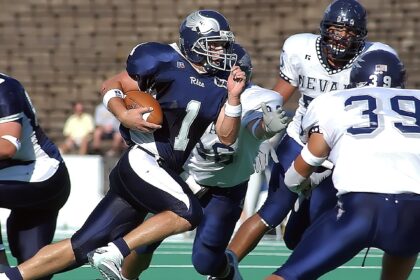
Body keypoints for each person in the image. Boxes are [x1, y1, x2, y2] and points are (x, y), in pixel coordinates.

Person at [0, 9, 246, 280]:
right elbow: (112, 85)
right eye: (213, 44)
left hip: (163, 170)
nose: (220, 51)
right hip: (144, 159)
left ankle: (9, 277)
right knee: (188, 212)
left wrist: (234, 98)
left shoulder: (222, 81)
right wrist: (122, 113)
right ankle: (116, 252)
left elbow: (226, 137)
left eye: (223, 45)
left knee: (81, 246)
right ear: (192, 41)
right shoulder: (162, 58)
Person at [87, 43, 289, 280]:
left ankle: (227, 271)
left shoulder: (256, 97)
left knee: (206, 261)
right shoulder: (196, 85)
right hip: (186, 176)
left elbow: (252, 126)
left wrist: (265, 128)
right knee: (143, 245)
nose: (219, 75)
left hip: (225, 187)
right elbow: (117, 83)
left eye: (226, 71)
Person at [228, 0, 399, 261]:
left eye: (350, 32)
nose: (342, 38)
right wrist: (258, 129)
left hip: (339, 154)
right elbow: (278, 95)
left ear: (361, 36)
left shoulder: (375, 58)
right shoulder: (300, 48)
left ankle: (304, 211)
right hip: (300, 141)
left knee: (301, 236)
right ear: (324, 29)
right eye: (336, 30)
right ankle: (221, 271)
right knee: (271, 213)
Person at [266, 49, 420, 280]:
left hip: (360, 208)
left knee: (288, 276)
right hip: (414, 210)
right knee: (404, 248)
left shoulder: (332, 101)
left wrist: (297, 186)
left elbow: (309, 160)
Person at [0, 73, 71, 279]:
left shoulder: (5, 87)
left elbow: (8, 146)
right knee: (34, 270)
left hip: (42, 177)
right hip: (17, 178)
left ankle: (107, 243)